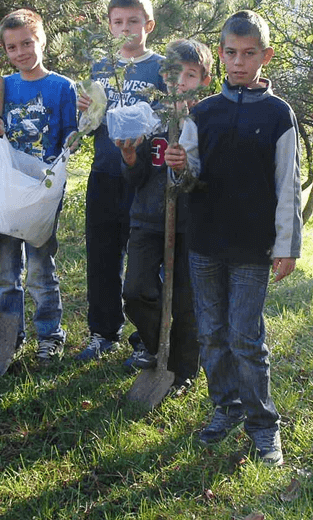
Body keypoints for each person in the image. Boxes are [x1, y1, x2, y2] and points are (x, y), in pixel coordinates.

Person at [165, 11, 301, 465]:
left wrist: (287, 244)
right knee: (212, 333)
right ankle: (227, 406)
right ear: (220, 54)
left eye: (249, 54)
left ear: (266, 55)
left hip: (252, 248)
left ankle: (264, 425)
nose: (238, 62)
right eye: (230, 53)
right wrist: (180, 166)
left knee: (246, 336)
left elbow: (288, 185)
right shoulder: (202, 112)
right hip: (205, 242)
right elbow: (190, 179)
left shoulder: (280, 115)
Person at [0, 9, 78, 362]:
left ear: (42, 40)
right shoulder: (2, 86)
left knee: (39, 267)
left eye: (27, 43)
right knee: (6, 270)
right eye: (12, 47)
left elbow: (69, 133)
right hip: (8, 187)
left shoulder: (61, 87)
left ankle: (49, 333)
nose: (20, 52)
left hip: (41, 189)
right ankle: (10, 332)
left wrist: (75, 140)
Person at [117, 39, 212, 396]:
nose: (181, 82)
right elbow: (136, 176)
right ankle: (156, 344)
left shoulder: (205, 119)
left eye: (190, 75)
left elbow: (213, 177)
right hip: (147, 217)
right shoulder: (148, 115)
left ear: (203, 80)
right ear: (163, 75)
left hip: (192, 224)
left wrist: (190, 167)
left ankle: (183, 369)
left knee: (185, 300)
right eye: (174, 74)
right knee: (136, 290)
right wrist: (129, 158)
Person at [75, 0, 167, 361]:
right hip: (104, 172)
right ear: (109, 26)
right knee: (102, 255)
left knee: (146, 262)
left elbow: (168, 118)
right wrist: (87, 109)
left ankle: (150, 334)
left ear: (148, 25)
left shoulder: (161, 67)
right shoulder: (100, 67)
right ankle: (103, 332)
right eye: (118, 22)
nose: (126, 29)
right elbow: (91, 123)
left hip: (143, 178)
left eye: (133, 21)